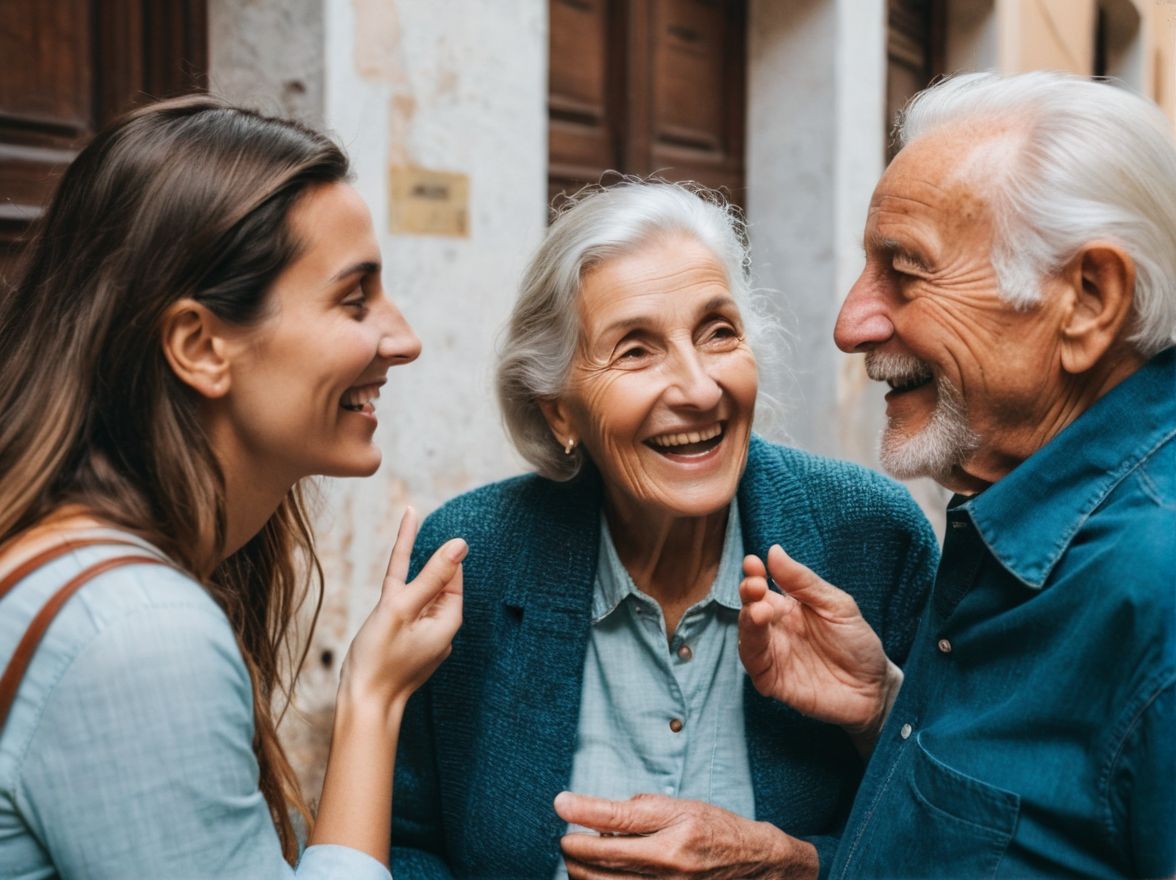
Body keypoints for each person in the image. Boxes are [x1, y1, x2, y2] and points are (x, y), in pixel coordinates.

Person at [391, 180, 939, 879]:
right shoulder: (475, 558)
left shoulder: (870, 538)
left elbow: (953, 845)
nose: (700, 389)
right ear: (559, 411)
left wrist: (796, 865)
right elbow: (403, 842)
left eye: (718, 332)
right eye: (636, 350)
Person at [0, 95, 466, 879]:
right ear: (200, 345)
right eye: (354, 299)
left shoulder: (87, 569)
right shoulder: (139, 635)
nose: (404, 339)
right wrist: (373, 702)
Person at [739, 71, 1176, 878]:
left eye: (904, 270)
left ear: (1088, 298)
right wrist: (886, 710)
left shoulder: (1156, 591)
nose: (850, 325)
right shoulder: (1014, 503)